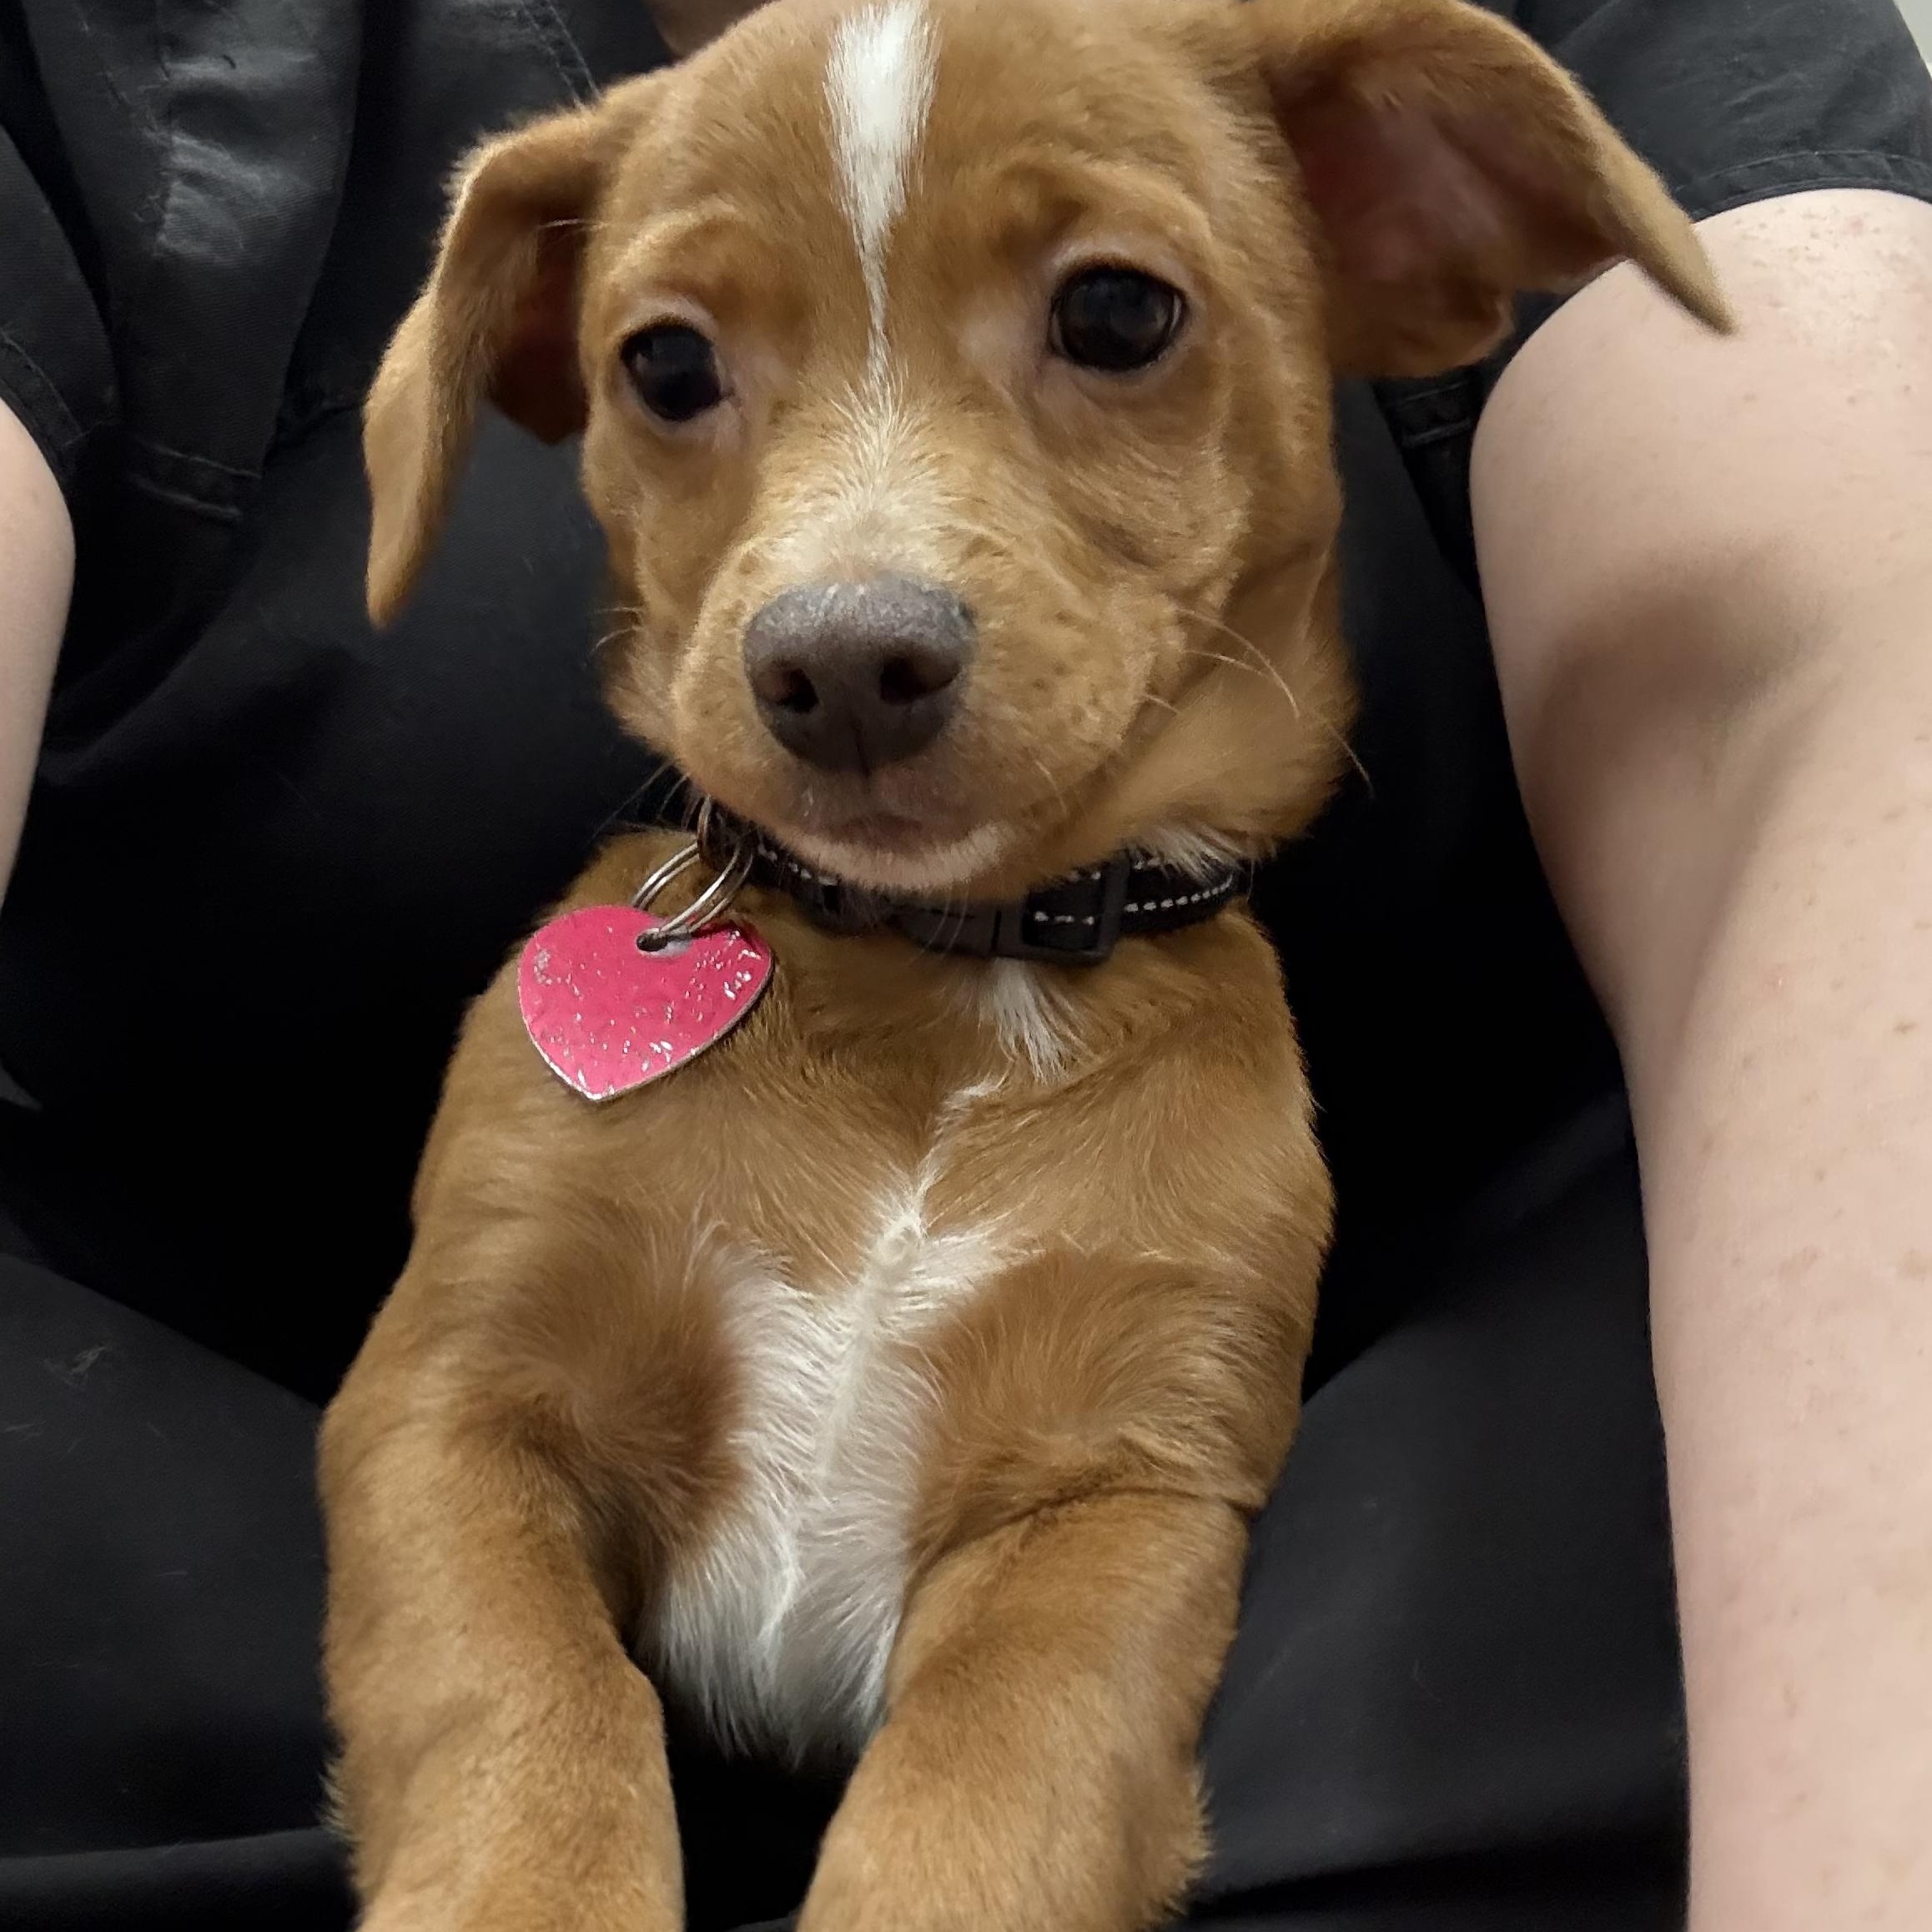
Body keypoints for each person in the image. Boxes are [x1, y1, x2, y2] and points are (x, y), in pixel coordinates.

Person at [2, 1, 1929, 1927]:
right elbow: (457, 1429)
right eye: (676, 371)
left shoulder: (1237, 1140)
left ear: (1392, 219)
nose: (852, 595)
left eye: (1109, 323)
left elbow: (1842, 661)